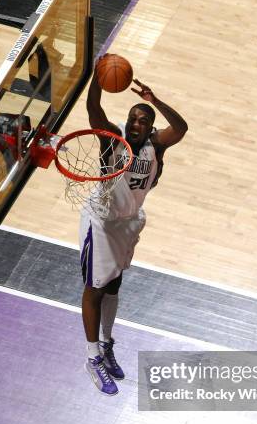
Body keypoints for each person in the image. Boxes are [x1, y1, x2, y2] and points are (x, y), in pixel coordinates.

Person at [80, 64, 188, 395]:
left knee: (114, 286)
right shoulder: (112, 140)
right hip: (102, 220)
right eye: (133, 118)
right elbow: (93, 110)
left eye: (144, 120)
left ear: (150, 127)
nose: (136, 123)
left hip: (128, 221)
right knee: (95, 289)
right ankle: (92, 357)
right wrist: (97, 80)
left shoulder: (156, 146)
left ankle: (106, 342)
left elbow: (181, 127)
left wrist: (154, 99)